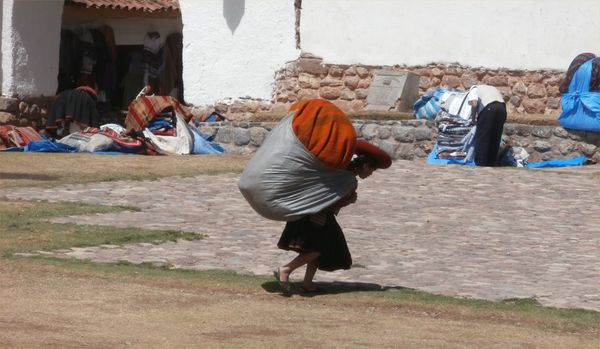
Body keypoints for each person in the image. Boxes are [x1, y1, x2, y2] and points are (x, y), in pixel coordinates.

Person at [273, 140, 391, 295]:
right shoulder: (348, 180)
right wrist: (348, 201)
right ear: (366, 166)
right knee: (319, 248)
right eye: (372, 170)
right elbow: (331, 203)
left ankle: (308, 284)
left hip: (308, 211)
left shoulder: (338, 171)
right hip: (317, 217)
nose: (370, 174)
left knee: (316, 248)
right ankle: (286, 270)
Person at [467, 84, 507, 166]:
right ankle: (491, 162)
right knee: (495, 137)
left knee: (483, 136)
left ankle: (481, 163)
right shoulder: (492, 88)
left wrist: (473, 119)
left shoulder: (474, 89)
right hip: (502, 108)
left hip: (489, 108)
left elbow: (474, 104)